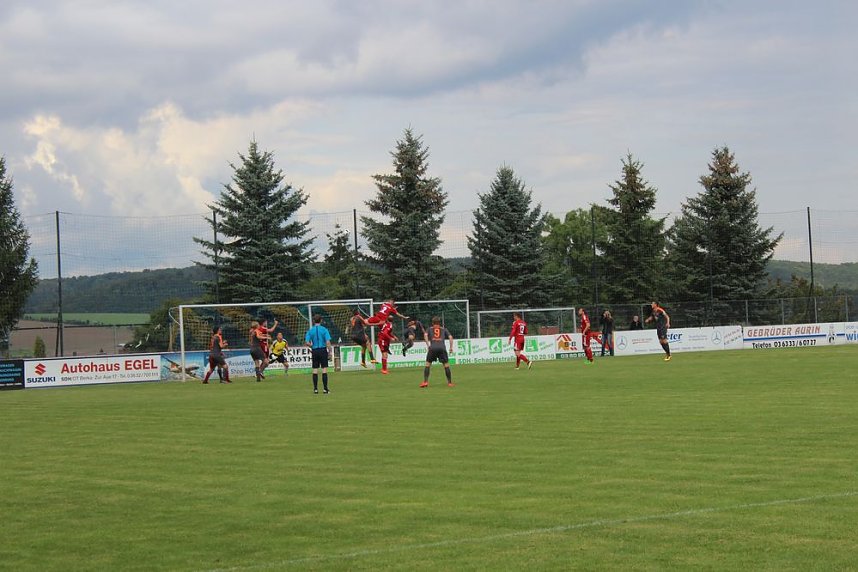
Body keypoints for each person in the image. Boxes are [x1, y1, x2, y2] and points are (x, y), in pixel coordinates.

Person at [420, 316, 455, 388]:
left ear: (432, 323)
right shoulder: (444, 329)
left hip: (432, 348)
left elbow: (425, 335)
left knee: (427, 364)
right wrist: (451, 348)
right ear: (439, 323)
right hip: (442, 348)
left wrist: (428, 344)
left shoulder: (429, 329)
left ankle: (425, 382)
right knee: (446, 365)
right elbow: (450, 337)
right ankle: (449, 383)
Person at [305, 314, 333, 393]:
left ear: (313, 321)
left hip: (315, 351)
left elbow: (307, 342)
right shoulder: (324, 330)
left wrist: (312, 346)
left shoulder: (310, 331)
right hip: (322, 350)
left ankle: (315, 389)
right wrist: (330, 352)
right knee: (324, 369)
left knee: (315, 369)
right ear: (321, 320)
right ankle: (325, 389)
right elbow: (328, 342)